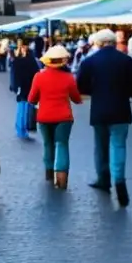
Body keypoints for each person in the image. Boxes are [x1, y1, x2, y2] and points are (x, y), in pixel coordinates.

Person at [76, 28, 132, 207]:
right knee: (119, 145)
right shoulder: (126, 61)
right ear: (113, 42)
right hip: (120, 110)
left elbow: (80, 86)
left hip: (99, 110)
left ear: (98, 43)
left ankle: (103, 179)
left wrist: (95, 90)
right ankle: (119, 181)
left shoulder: (89, 61)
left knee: (100, 146)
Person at [28, 45, 82, 189]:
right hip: (64, 117)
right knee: (62, 145)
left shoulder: (39, 76)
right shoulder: (69, 78)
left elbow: (31, 99)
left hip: (44, 117)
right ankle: (62, 179)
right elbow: (76, 98)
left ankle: (48, 173)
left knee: (47, 144)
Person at [11, 42, 41, 139]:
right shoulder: (32, 61)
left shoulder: (17, 61)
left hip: (21, 88)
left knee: (21, 108)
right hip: (30, 88)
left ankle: (20, 129)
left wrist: (15, 87)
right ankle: (25, 128)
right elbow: (37, 74)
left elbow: (14, 76)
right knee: (27, 108)